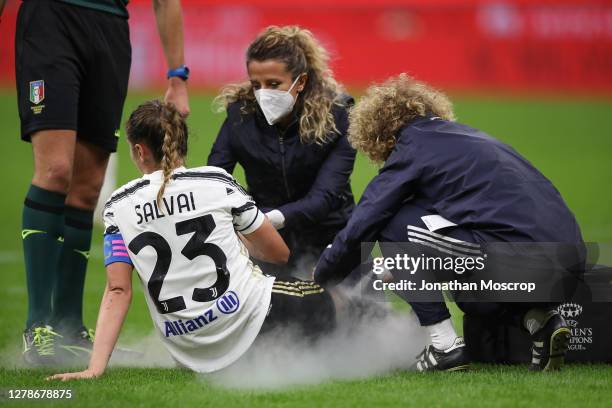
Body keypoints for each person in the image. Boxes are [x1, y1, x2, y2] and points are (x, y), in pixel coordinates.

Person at [314, 74, 585, 372]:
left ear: (380, 133)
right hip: (572, 262)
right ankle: (539, 322)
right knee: (467, 291)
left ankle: (444, 347)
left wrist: (322, 277)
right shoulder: (466, 139)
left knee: (390, 219)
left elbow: (365, 220)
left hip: (522, 259)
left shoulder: (413, 146)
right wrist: (399, 270)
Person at [47, 100, 336, 379]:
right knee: (324, 296)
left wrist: (94, 368)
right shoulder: (216, 181)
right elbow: (278, 254)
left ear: (139, 150)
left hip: (191, 350)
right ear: (182, 142)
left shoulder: (117, 206)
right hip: (251, 320)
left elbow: (117, 291)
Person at [4, 0, 190, 365]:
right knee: (56, 170)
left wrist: (177, 77)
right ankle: (38, 327)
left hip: (110, 27)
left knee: (89, 188)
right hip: (51, 18)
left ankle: (70, 328)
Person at [208, 26, 356, 278]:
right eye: (257, 84)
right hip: (267, 244)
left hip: (332, 235)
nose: (263, 93)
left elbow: (326, 196)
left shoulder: (338, 114)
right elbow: (216, 178)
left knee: (363, 315)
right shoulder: (239, 115)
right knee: (274, 316)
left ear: (301, 82)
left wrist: (263, 220)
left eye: (274, 84)